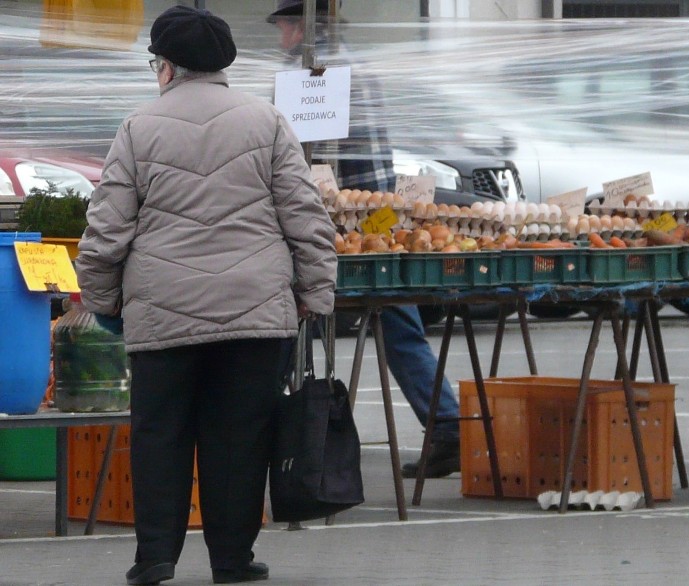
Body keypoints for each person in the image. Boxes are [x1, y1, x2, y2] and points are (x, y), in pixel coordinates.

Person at [75, 6, 337, 585]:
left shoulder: (138, 128)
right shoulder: (267, 121)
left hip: (163, 315)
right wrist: (316, 296)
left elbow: (106, 231)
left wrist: (102, 302)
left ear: (166, 66)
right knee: (240, 438)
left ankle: (155, 558)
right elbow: (306, 217)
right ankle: (232, 560)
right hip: (254, 315)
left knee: (159, 434)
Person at [267, 0, 461, 479]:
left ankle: (280, 434)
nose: (279, 37)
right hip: (372, 214)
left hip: (338, 216)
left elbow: (298, 154)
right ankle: (447, 422)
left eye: (283, 26)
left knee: (290, 324)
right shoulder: (352, 64)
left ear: (300, 26)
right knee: (400, 324)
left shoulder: (312, 73)